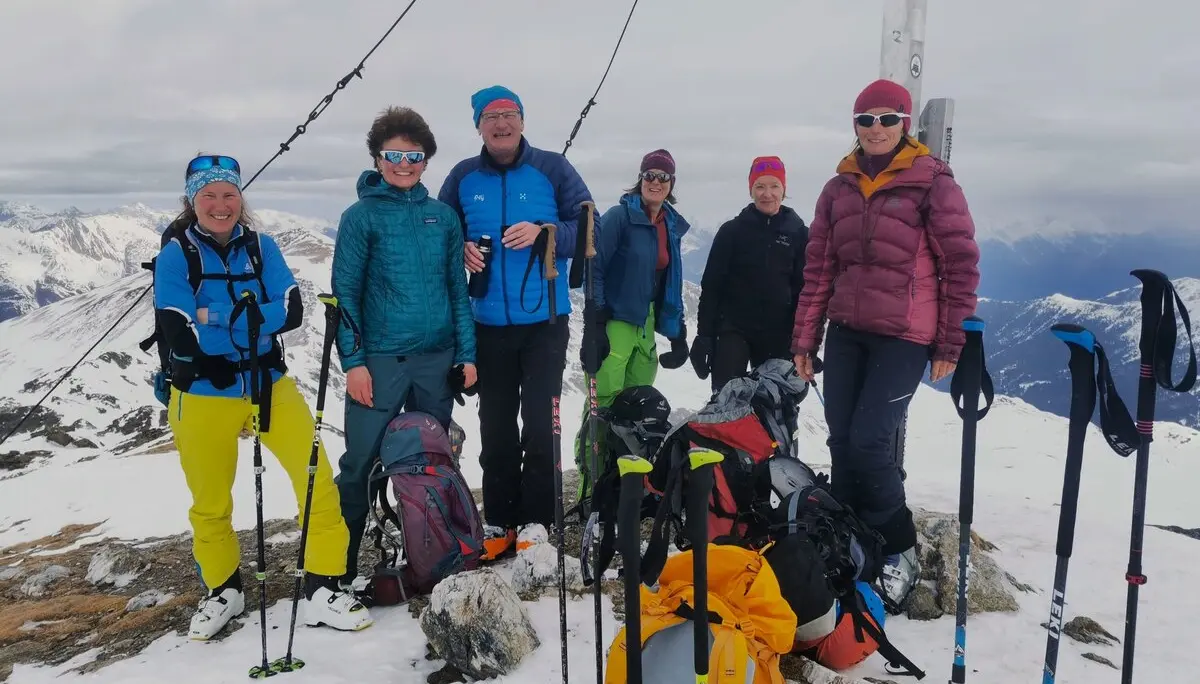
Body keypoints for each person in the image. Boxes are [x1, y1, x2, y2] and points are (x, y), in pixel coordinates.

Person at [155, 154, 372, 640]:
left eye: (229, 194)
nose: (220, 204)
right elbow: (178, 327)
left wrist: (214, 316)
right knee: (210, 500)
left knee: (314, 476)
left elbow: (292, 309)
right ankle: (223, 591)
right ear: (192, 201)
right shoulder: (176, 254)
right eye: (208, 195)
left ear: (241, 200)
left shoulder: (261, 247)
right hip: (201, 391)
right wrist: (249, 316)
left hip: (267, 382)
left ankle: (322, 585)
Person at [790, 79, 981, 610]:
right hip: (849, 331)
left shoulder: (933, 183)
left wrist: (950, 343)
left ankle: (899, 548)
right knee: (841, 441)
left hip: (905, 335)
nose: (876, 129)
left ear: (904, 123)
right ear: (854, 126)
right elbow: (820, 269)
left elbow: (959, 265)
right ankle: (849, 545)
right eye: (866, 119)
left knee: (872, 443)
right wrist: (806, 338)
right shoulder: (838, 189)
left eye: (887, 118)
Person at [437, 85, 593, 561]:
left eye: (509, 114)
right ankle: (501, 519)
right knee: (496, 424)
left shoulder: (552, 168)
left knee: (542, 426)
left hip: (544, 321)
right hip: (486, 321)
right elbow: (442, 230)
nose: (501, 123)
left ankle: (539, 521)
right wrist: (459, 246)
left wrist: (546, 233)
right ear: (478, 126)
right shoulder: (463, 176)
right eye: (491, 116)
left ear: (523, 121)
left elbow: (590, 227)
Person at [330, 106, 477, 584]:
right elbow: (345, 296)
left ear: (426, 160)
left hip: (437, 361)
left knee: (434, 462)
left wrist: (467, 354)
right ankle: (341, 564)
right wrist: (354, 363)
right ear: (377, 157)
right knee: (360, 463)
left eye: (414, 156)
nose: (404, 164)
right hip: (380, 361)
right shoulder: (359, 218)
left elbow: (458, 289)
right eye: (393, 154)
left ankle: (433, 555)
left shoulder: (443, 218)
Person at [574, 149, 691, 498]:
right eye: (650, 175)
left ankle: (626, 484)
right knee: (604, 403)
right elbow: (594, 268)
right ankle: (590, 486)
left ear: (672, 184)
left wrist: (678, 331)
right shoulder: (618, 217)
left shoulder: (670, 223)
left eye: (663, 177)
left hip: (647, 324)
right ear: (640, 179)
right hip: (616, 322)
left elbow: (671, 279)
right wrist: (594, 325)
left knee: (639, 406)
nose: (656, 182)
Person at [690, 156, 808, 392]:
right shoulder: (731, 232)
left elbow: (805, 292)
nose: (767, 194)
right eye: (760, 186)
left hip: (779, 333)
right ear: (751, 190)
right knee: (727, 401)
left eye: (774, 186)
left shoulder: (799, 234)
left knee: (776, 407)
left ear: (784, 190)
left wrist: (807, 344)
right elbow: (712, 287)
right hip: (733, 329)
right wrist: (704, 336)